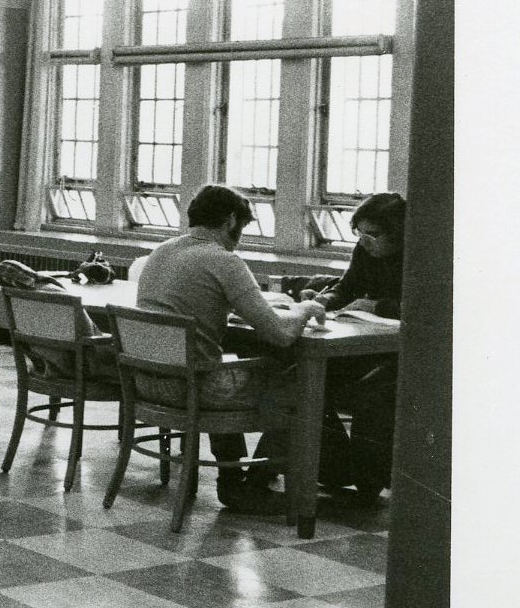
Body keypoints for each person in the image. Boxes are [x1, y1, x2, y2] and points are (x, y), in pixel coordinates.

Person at [135, 184, 330, 500]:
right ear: (230, 221)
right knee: (308, 386)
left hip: (148, 383)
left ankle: (232, 476)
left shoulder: (162, 251)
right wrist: (304, 308)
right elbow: (279, 335)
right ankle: (250, 485)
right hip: (194, 388)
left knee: (222, 367)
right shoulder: (224, 260)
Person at [305, 191, 405, 493]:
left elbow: (427, 305)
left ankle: (368, 477)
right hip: (365, 342)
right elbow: (347, 287)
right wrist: (326, 299)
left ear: (398, 233)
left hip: (400, 352)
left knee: (372, 393)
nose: (364, 241)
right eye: (360, 233)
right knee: (308, 379)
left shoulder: (419, 257)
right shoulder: (364, 252)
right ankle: (335, 468)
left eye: (373, 234)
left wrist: (376, 306)